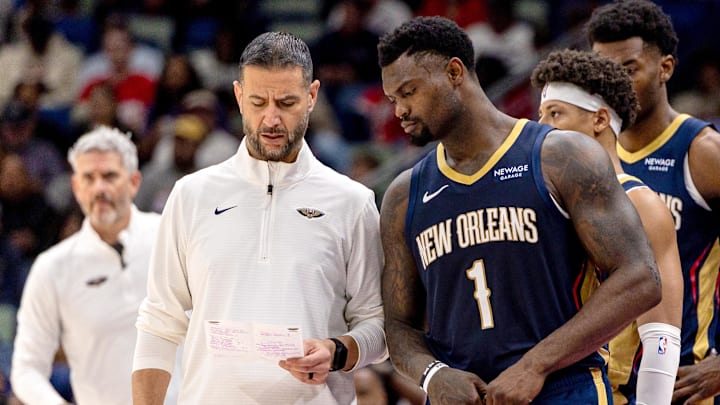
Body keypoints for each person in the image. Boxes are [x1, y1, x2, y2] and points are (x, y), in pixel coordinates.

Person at [377, 16, 662, 404]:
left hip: (561, 386)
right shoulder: (404, 195)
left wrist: (536, 365)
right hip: (461, 396)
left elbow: (641, 278)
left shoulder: (560, 156)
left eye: (409, 92)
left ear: (455, 72)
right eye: (393, 99)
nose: (400, 111)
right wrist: (432, 375)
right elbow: (398, 326)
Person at [132, 31, 386, 404]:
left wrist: (339, 350)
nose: (271, 118)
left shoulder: (352, 202)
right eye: (257, 101)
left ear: (312, 96)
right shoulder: (192, 195)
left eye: (286, 102)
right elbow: (159, 322)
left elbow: (378, 326)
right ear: (238, 96)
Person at [531, 48, 684, 405]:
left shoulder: (641, 202)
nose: (540, 128)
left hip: (608, 391)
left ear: (599, 120)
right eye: (540, 114)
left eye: (555, 113)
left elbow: (660, 337)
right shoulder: (545, 199)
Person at [587, 1, 720, 403]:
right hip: (605, 386)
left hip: (682, 382)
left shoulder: (702, 152)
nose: (612, 86)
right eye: (602, 73)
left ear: (665, 68)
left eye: (627, 70)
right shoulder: (584, 159)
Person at [10, 126, 179, 404]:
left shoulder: (172, 237)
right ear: (76, 187)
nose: (99, 188)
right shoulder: (52, 267)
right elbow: (26, 368)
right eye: (89, 178)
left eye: (110, 176)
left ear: (134, 181)